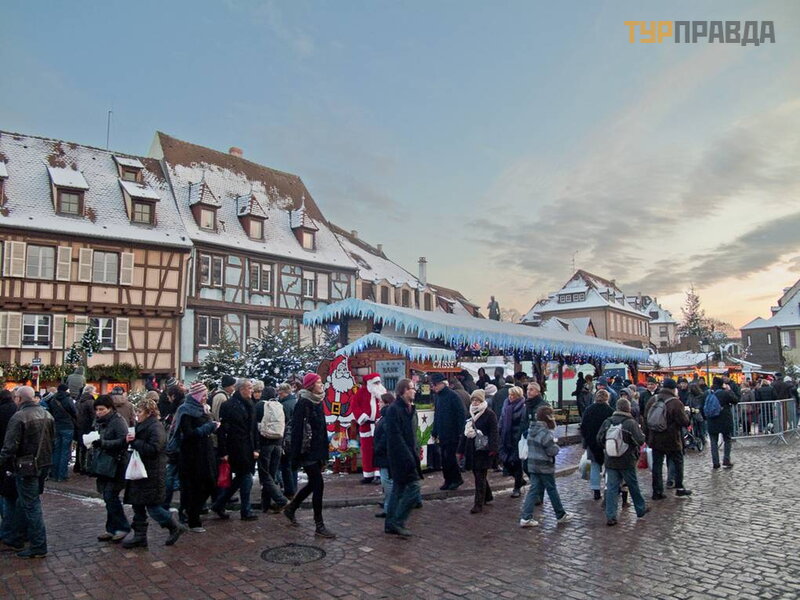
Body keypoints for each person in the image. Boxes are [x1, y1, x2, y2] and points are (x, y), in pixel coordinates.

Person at [122, 399, 187, 548]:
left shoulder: (155, 427)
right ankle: (140, 536)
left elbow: (154, 448)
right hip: (141, 471)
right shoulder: (143, 425)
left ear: (149, 412)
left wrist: (135, 442)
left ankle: (174, 525)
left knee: (153, 506)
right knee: (137, 504)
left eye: (140, 412)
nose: (137, 415)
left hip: (151, 473)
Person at [0, 386, 54, 558]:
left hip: (26, 466)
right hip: (43, 464)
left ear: (19, 398)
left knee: (31, 506)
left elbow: (9, 446)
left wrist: (3, 463)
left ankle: (38, 545)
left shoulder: (19, 416)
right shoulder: (46, 414)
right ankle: (22, 537)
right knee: (28, 503)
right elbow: (52, 440)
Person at [283, 373, 335, 539]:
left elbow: (322, 430)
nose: (321, 385)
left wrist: (324, 454)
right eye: (318, 382)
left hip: (317, 451)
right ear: (311, 385)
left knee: (313, 484)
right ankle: (319, 525)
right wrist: (295, 457)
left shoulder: (318, 401)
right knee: (318, 485)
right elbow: (297, 431)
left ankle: (291, 508)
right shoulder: (303, 403)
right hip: (307, 452)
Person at [211, 378, 259, 521]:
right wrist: (223, 451)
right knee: (246, 476)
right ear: (241, 389)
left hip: (248, 447)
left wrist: (257, 447)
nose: (252, 390)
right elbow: (223, 430)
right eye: (249, 388)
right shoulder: (229, 405)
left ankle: (219, 504)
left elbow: (253, 428)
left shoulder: (251, 404)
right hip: (236, 447)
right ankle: (245, 510)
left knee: (241, 478)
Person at [174, 382, 219, 533]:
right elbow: (188, 434)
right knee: (194, 486)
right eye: (203, 395)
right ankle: (193, 518)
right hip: (192, 455)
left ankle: (191, 511)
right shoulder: (185, 411)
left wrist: (213, 426)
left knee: (210, 483)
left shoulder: (203, 409)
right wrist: (209, 427)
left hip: (205, 452)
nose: (206, 398)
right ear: (196, 395)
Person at [596, 397, 648, 526]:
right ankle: (640, 509)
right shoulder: (630, 423)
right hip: (627, 460)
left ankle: (611, 515)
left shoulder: (608, 422)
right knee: (632, 485)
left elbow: (599, 438)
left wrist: (608, 448)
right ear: (628, 408)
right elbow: (640, 440)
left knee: (612, 488)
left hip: (610, 459)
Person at [519, 405, 570, 528]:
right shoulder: (545, 432)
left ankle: (526, 517)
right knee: (551, 489)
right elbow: (551, 450)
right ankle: (560, 514)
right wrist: (556, 446)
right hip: (545, 465)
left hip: (533, 464)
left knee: (533, 490)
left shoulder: (531, 430)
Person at [383, 379, 423, 537]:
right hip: (401, 457)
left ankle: (390, 523)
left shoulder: (409, 408)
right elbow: (396, 437)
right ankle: (398, 521)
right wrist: (408, 456)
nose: (414, 391)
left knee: (398, 489)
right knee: (414, 487)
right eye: (412, 388)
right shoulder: (394, 410)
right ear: (404, 391)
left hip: (408, 454)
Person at [91, 394, 131, 543]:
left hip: (117, 464)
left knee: (110, 496)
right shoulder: (100, 422)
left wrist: (103, 443)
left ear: (110, 408)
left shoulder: (118, 421)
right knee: (108, 496)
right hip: (105, 463)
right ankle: (112, 529)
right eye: (97, 410)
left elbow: (123, 441)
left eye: (102, 409)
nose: (98, 412)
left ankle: (122, 527)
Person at [643, 378, 691, 500]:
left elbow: (646, 419)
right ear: (674, 389)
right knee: (678, 462)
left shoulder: (653, 400)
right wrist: (687, 414)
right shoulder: (675, 402)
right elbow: (684, 422)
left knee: (657, 465)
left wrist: (648, 437)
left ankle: (657, 491)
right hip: (672, 439)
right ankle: (679, 488)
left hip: (655, 438)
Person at [457, 389, 499, 514]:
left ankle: (478, 504)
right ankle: (488, 495)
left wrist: (493, 448)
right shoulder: (470, 414)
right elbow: (465, 433)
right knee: (478, 474)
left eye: (477, 400)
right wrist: (460, 450)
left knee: (480, 476)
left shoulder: (490, 414)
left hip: (484, 450)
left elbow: (494, 432)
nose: (475, 402)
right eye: (473, 400)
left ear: (482, 401)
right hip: (472, 449)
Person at [254, 383, 289, 513]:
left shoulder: (259, 406)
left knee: (264, 475)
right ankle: (266, 504)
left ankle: (281, 500)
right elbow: (286, 422)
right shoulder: (280, 406)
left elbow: (253, 425)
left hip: (265, 443)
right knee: (272, 475)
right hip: (278, 443)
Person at [430, 373, 466, 491]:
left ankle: (456, 479)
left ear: (442, 383)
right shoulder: (438, 397)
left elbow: (461, 415)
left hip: (453, 433)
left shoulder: (453, 396)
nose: (433, 387)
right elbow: (437, 415)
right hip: (443, 433)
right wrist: (435, 431)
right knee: (444, 459)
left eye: (435, 384)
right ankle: (448, 480)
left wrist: (460, 432)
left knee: (450, 458)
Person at [579, 389, 614, 500]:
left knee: (594, 465)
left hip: (592, 442)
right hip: (607, 443)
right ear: (607, 398)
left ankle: (596, 490)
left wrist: (586, 440)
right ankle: (609, 487)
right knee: (609, 466)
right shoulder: (610, 411)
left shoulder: (589, 410)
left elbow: (583, 427)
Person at [498, 386, 527, 497]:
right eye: (510, 395)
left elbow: (523, 423)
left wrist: (519, 435)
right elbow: (502, 419)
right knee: (505, 461)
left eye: (513, 395)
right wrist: (499, 430)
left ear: (518, 396)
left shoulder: (523, 406)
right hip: (505, 437)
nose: (510, 397)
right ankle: (519, 480)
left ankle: (517, 488)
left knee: (516, 463)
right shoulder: (506, 404)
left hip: (516, 438)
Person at [706, 377, 739, 469]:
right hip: (725, 420)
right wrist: (730, 390)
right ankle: (726, 460)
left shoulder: (708, 393)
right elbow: (735, 400)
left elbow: (702, 406)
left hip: (712, 420)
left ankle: (715, 462)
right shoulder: (724, 393)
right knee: (727, 440)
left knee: (713, 442)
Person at [46, 383, 77, 482]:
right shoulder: (68, 399)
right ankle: (62, 475)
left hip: (56, 426)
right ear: (66, 390)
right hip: (67, 426)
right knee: (65, 451)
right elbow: (74, 412)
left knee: (56, 450)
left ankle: (54, 473)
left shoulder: (53, 400)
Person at [0, 389, 18, 543]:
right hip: (18, 458)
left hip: (5, 456)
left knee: (5, 494)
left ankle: (7, 530)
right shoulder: (18, 411)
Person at [373, 392, 394, 519]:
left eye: (380, 402)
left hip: (385, 455)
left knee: (387, 482)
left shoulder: (387, 417)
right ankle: (388, 506)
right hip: (383, 455)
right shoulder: (385, 416)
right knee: (386, 482)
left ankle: (389, 508)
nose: (378, 404)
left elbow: (386, 436)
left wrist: (378, 448)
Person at [276, 382, 298, 500]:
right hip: (294, 437)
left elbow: (282, 422)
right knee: (292, 465)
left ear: (283, 392)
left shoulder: (283, 406)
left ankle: (289, 490)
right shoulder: (295, 402)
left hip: (286, 438)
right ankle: (293, 487)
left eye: (279, 392)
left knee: (285, 465)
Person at [74, 384, 96, 475]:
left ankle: (78, 466)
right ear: (91, 392)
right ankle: (86, 467)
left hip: (79, 427)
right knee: (88, 447)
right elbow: (94, 416)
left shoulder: (78, 401)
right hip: (88, 427)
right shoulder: (91, 402)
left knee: (80, 447)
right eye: (94, 391)